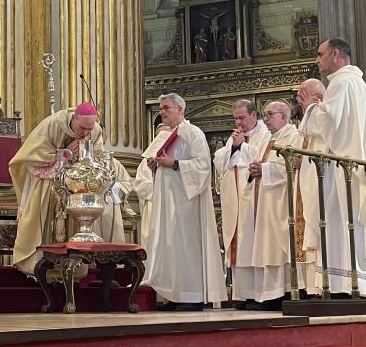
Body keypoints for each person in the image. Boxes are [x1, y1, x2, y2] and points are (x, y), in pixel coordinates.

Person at [299, 39, 366, 297]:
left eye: (320, 54)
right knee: (347, 225)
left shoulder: (342, 82)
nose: (317, 60)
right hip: (352, 167)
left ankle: (344, 287)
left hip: (343, 170)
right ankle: (358, 285)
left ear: (335, 54)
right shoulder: (356, 83)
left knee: (339, 225)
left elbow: (330, 122)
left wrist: (310, 108)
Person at [133, 93, 225, 310]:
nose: (162, 112)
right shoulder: (166, 136)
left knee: (186, 248)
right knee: (170, 246)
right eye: (160, 109)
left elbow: (203, 166)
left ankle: (191, 298)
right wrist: (156, 167)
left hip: (187, 204)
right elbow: (161, 167)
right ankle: (174, 296)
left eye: (166, 108)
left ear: (180, 109)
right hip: (168, 202)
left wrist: (174, 164)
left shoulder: (193, 133)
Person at [9, 102, 103, 275]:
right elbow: (33, 153)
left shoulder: (95, 131)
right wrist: (64, 153)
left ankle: (74, 268)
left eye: (89, 129)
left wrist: (84, 156)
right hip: (49, 179)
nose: (86, 134)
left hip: (77, 183)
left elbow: (98, 156)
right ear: (74, 118)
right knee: (45, 208)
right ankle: (38, 266)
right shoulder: (53, 124)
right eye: (82, 128)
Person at [213, 99, 274, 309]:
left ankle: (258, 294)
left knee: (253, 244)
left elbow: (264, 158)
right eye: (235, 118)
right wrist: (234, 148)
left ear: (253, 115)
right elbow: (219, 160)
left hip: (255, 200)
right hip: (235, 202)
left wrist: (243, 147)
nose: (238, 123)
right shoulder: (235, 138)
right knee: (238, 244)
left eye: (242, 118)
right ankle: (242, 294)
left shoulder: (265, 135)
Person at [269, 81, 325, 296]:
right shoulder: (306, 128)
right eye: (301, 104)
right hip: (302, 188)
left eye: (304, 101)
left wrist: (303, 162)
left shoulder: (321, 123)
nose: (302, 108)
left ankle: (317, 288)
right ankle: (310, 288)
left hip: (316, 189)